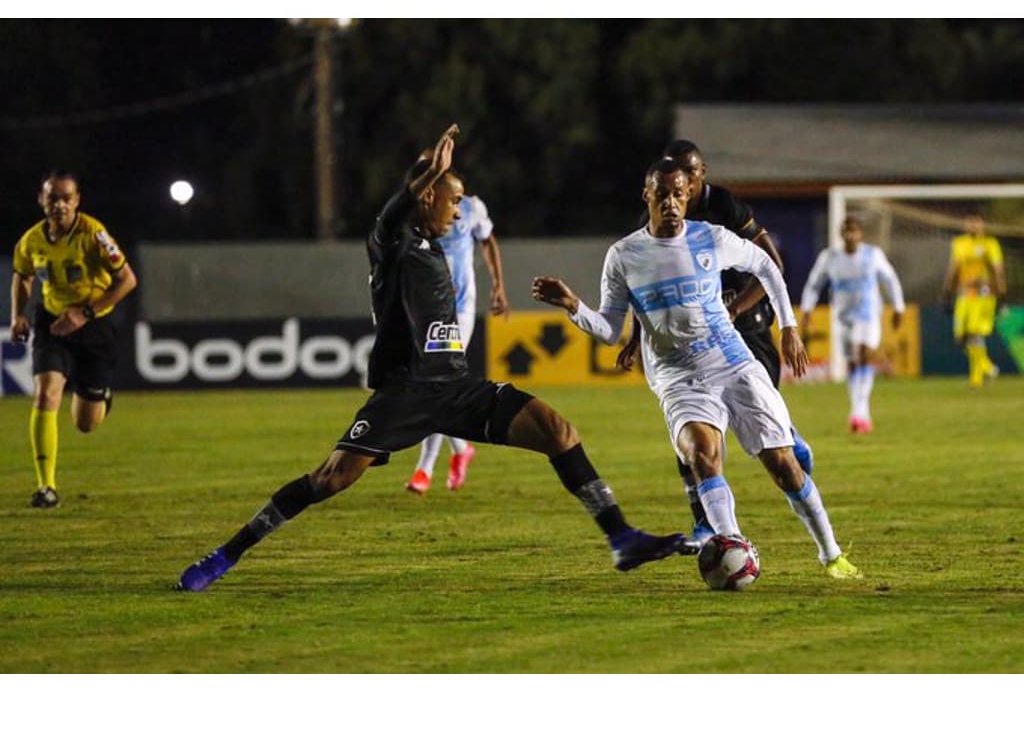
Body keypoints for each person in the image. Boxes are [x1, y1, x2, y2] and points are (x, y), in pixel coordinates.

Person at [177, 125, 693, 592]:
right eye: (454, 200)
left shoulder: (436, 243)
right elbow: (392, 215)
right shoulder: (393, 243)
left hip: (456, 385)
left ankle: (621, 538)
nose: (460, 210)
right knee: (327, 480)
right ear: (426, 197)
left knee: (558, 430)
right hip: (406, 393)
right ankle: (227, 553)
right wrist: (427, 174)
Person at [533, 158, 862, 580]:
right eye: (662, 194)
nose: (671, 201)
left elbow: (766, 266)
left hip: (731, 362)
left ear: (688, 196)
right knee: (702, 457)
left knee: (783, 466)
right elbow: (610, 328)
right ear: (646, 195)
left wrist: (789, 327)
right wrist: (573, 307)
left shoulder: (712, 238)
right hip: (678, 378)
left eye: (678, 193)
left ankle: (832, 555)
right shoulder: (624, 256)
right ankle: (734, 546)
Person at [616, 140, 814, 545]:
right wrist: (637, 337)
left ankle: (787, 438)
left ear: (700, 173)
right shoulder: (656, 215)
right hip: (692, 332)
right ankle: (707, 521)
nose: (686, 183)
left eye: (693, 173)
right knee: (691, 435)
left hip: (746, 320)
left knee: (758, 406)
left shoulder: (723, 205)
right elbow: (644, 292)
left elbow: (768, 263)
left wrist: (740, 309)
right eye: (678, 176)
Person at [10, 171, 138, 508]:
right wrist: (18, 314)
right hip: (52, 323)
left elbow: (127, 280)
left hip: (93, 327)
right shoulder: (31, 241)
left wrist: (85, 313)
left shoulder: (94, 234)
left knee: (85, 423)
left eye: (67, 198)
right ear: (42, 200)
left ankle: (100, 395)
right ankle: (46, 486)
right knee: (45, 395)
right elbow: (22, 276)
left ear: (77, 200)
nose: (60, 205)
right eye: (53, 198)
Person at [406, 190, 508, 494]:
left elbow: (488, 240)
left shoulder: (470, 207)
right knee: (434, 384)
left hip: (461, 308)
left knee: (436, 380)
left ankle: (424, 468)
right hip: (428, 309)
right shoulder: (416, 210)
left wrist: (498, 286)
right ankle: (461, 449)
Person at [800, 215, 905, 432]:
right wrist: (807, 309)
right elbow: (814, 284)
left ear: (860, 234)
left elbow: (890, 279)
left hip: (868, 315)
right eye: (846, 231)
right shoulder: (829, 257)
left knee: (864, 353)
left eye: (854, 231)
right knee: (853, 363)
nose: (850, 235)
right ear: (841, 234)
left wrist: (898, 307)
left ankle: (858, 412)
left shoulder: (872, 255)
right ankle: (860, 414)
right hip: (842, 318)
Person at [941, 213, 1006, 387]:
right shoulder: (959, 244)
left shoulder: (990, 244)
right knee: (961, 338)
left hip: (983, 293)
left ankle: (976, 377)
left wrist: (1001, 294)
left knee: (974, 332)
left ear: (983, 224)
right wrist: (947, 292)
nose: (973, 225)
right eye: (969, 222)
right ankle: (987, 366)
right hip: (964, 294)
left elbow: (998, 270)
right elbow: (953, 269)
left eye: (976, 222)